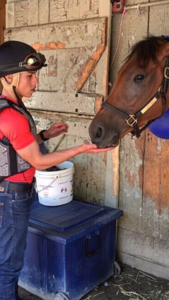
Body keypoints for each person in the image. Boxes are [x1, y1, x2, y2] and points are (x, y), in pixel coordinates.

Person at [0, 40, 113, 300]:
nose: (35, 82)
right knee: (8, 267)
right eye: (29, 76)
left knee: (6, 261)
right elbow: (38, 161)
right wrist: (81, 149)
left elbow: (17, 147)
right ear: (8, 77)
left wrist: (45, 134)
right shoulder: (12, 116)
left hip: (12, 194)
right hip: (12, 198)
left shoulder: (9, 108)